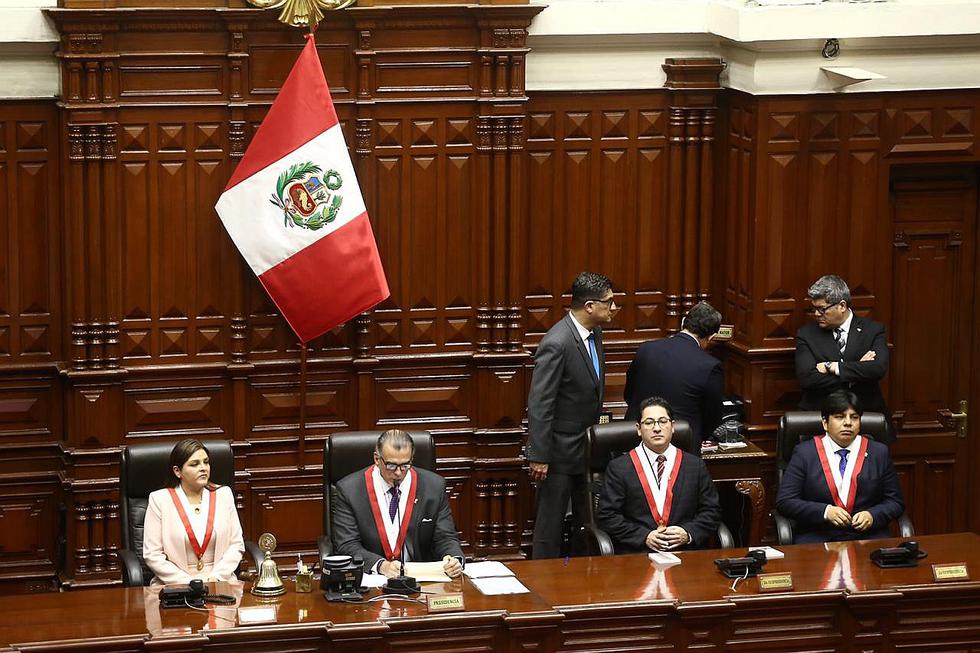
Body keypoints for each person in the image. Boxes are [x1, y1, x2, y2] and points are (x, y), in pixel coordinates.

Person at [527, 271, 617, 559]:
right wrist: (539, 455)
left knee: (586, 520)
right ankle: (541, 582)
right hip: (558, 451)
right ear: (590, 306)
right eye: (609, 302)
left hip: (587, 447)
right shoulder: (557, 342)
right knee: (550, 525)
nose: (613, 308)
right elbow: (541, 403)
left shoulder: (595, 333)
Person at [332, 429, 464, 578]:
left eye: (405, 465)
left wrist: (453, 559)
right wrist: (381, 566)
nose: (399, 473)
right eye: (391, 465)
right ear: (377, 459)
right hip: (375, 579)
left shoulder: (434, 486)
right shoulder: (350, 490)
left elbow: (445, 537)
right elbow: (347, 544)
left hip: (421, 579)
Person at [775, 391, 905, 543]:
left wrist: (873, 515)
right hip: (818, 536)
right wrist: (825, 512)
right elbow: (785, 501)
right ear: (825, 423)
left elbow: (895, 502)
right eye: (840, 417)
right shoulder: (805, 453)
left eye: (854, 417)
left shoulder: (878, 452)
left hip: (868, 537)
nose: (848, 423)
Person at [596, 396, 721, 553]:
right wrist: (644, 536)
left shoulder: (694, 466)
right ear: (638, 429)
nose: (657, 428)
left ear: (673, 426)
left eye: (663, 421)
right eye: (649, 423)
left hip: (685, 554)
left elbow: (712, 511)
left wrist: (688, 533)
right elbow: (607, 516)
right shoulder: (619, 468)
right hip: (638, 554)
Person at [795, 274, 893, 442]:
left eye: (822, 309)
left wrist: (832, 367)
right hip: (819, 422)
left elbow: (878, 369)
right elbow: (808, 379)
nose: (817, 314)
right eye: (814, 309)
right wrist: (857, 371)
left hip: (866, 421)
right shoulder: (806, 334)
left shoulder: (873, 330)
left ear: (842, 306)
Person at [143, 439, 245, 585]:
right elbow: (152, 555)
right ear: (177, 471)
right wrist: (190, 583)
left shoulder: (224, 494)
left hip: (220, 582)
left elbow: (236, 545)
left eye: (206, 462)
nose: (203, 468)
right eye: (194, 464)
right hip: (176, 583)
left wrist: (216, 577)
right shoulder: (160, 500)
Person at [623, 301, 724, 444]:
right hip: (681, 446)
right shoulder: (710, 365)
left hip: (637, 441)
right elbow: (713, 417)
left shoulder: (646, 350)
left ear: (683, 323)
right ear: (712, 337)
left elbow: (629, 395)